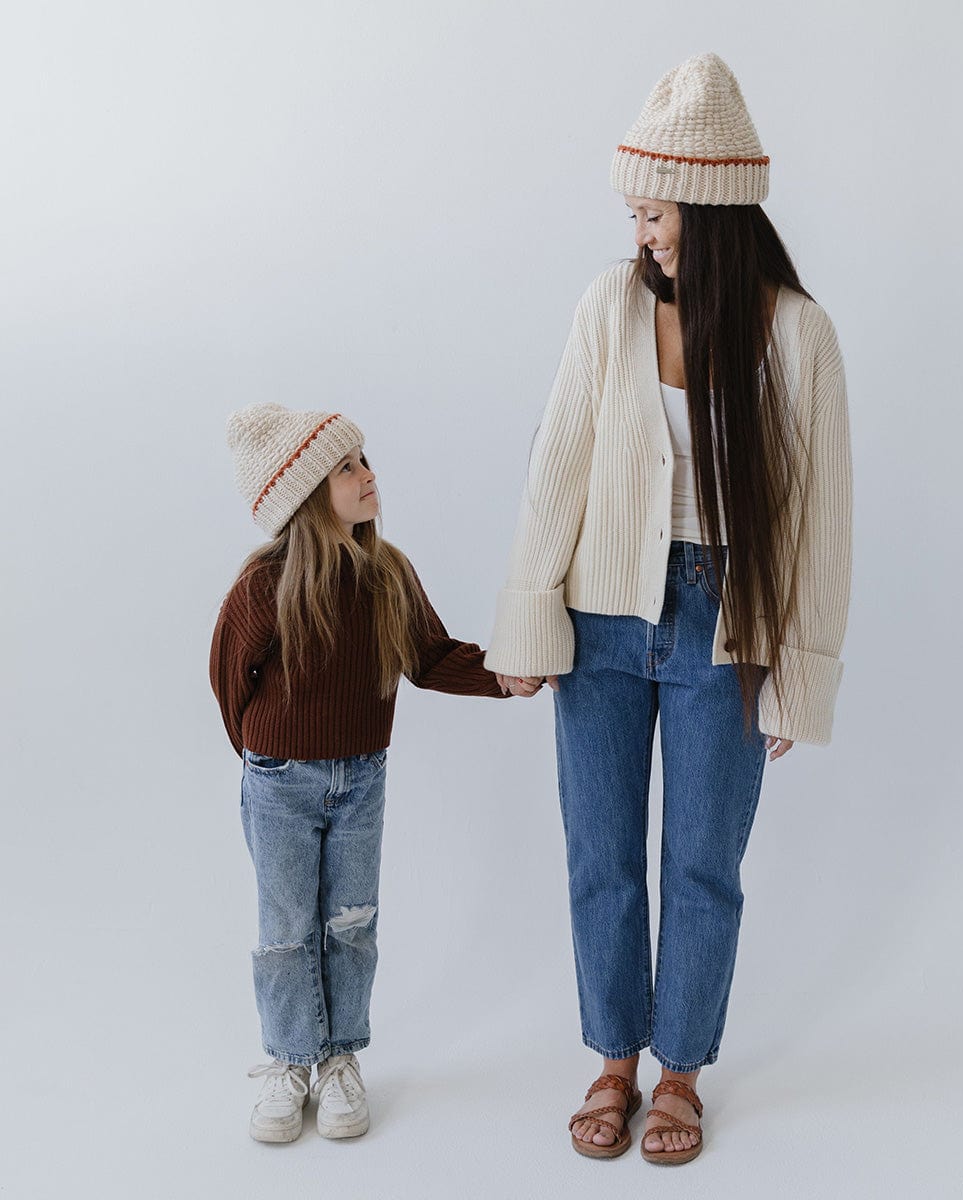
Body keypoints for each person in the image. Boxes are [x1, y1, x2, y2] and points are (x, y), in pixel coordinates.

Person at [486, 53, 852, 1165]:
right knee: (600, 853)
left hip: (721, 624)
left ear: (708, 208)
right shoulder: (608, 305)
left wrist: (799, 667)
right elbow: (558, 466)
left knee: (700, 862)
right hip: (600, 619)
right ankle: (611, 1057)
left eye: (653, 211)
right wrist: (529, 623)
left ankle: (680, 1071)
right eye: (635, 212)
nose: (640, 231)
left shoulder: (796, 333)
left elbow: (820, 516)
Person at [210, 403, 533, 1143]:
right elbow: (230, 679)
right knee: (288, 929)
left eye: (364, 460)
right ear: (304, 494)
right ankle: (292, 1060)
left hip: (361, 780)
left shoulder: (387, 573)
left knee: (351, 923)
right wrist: (268, 758)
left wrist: (503, 674)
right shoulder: (265, 584)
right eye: (347, 468)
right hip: (281, 781)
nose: (368, 475)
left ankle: (341, 1058)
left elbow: (429, 656)